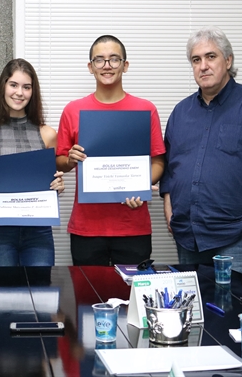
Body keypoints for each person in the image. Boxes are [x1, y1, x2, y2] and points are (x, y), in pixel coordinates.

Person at [160, 26, 242, 282]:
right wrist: (170, 210)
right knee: (195, 316)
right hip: (190, 239)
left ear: (228, 60)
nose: (203, 66)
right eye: (196, 60)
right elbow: (170, 169)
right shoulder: (180, 112)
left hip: (241, 237)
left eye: (211, 57)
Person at [56, 35, 165, 266]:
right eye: (100, 60)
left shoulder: (145, 109)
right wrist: (71, 159)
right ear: (90, 67)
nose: (107, 65)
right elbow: (60, 161)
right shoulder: (73, 110)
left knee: (132, 298)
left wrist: (141, 187)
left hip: (133, 226)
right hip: (86, 228)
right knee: (87, 298)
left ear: (125, 65)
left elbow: (158, 162)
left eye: (114, 59)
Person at [0, 58, 65, 275]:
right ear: (3, 86)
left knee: (39, 298)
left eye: (26, 87)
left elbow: (50, 182)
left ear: (33, 92)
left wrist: (57, 185)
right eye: (13, 85)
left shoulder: (47, 133)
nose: (19, 92)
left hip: (38, 232)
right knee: (2, 300)